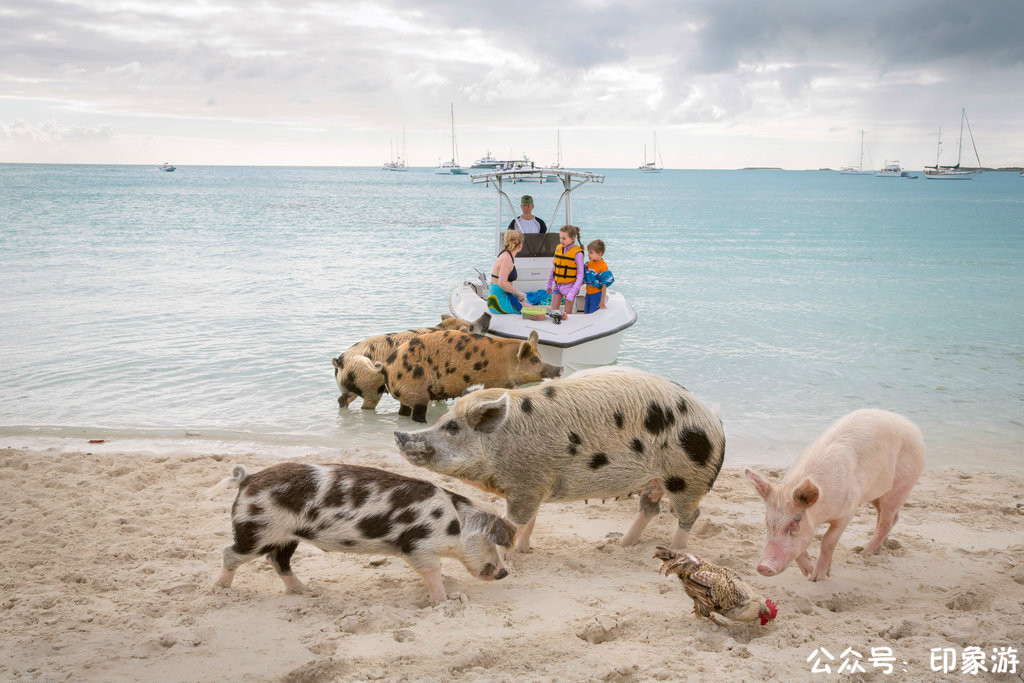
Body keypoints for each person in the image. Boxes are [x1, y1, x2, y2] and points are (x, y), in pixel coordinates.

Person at [546, 224, 585, 318]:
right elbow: (554, 268)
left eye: (564, 238)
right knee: (553, 313)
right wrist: (548, 284)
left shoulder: (578, 254)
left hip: (570, 287)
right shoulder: (558, 248)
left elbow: (580, 276)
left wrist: (572, 293)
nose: (561, 241)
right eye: (560, 238)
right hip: (557, 285)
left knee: (567, 316)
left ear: (572, 238)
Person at [486, 230, 527, 314]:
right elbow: (502, 283)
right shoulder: (507, 259)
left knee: (530, 306)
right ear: (520, 244)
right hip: (498, 300)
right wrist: (517, 292)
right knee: (538, 314)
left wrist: (515, 294)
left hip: (501, 296)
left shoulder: (506, 255)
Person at [583, 239, 614, 314]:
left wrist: (602, 301)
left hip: (596, 295)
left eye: (591, 253)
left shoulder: (603, 266)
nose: (588, 254)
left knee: (593, 314)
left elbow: (604, 285)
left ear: (599, 254)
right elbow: (584, 277)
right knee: (586, 313)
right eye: (588, 252)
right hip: (588, 294)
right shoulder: (589, 264)